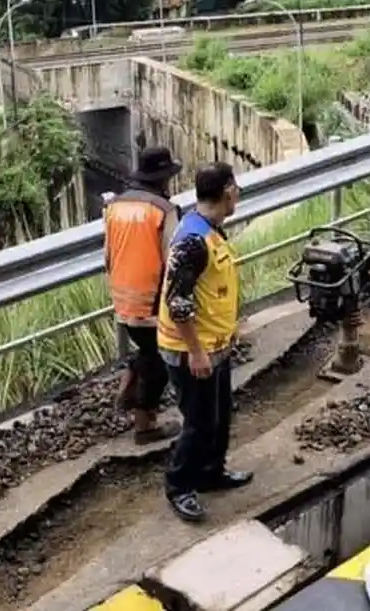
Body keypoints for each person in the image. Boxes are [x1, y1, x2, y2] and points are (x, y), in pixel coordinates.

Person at [158, 162, 252, 522]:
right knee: (198, 422)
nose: (238, 195)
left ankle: (212, 472)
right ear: (228, 192)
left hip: (216, 345)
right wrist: (196, 352)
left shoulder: (209, 229)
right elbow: (177, 305)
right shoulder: (194, 241)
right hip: (192, 352)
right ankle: (180, 486)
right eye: (236, 189)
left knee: (219, 415)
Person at [104, 147, 184, 445]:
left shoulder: (114, 206)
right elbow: (175, 262)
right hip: (152, 301)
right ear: (163, 179)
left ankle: (132, 379)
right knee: (160, 362)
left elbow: (108, 255)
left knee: (149, 352)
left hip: (122, 298)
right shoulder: (164, 211)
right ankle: (144, 425)